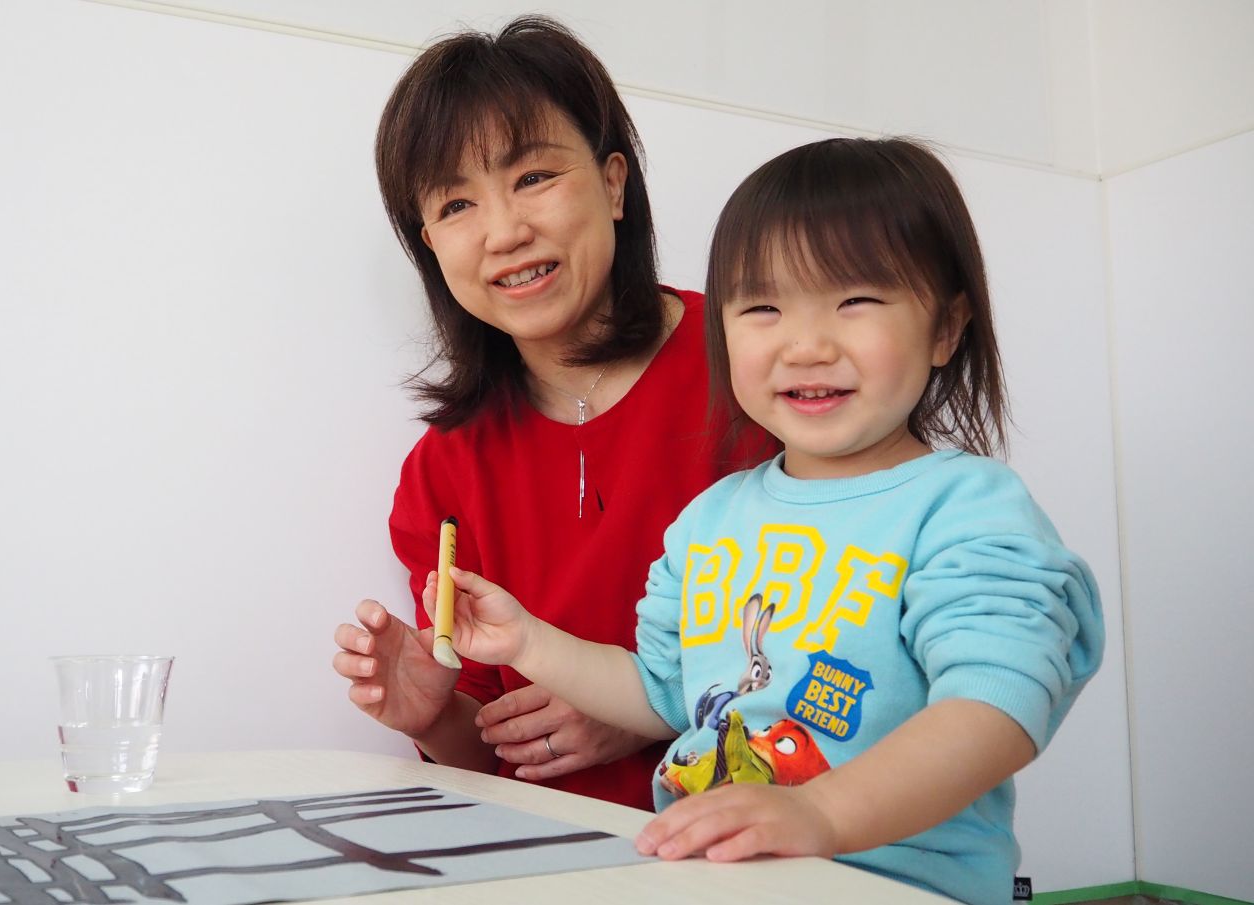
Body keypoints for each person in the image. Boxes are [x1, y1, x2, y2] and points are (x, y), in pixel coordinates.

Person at [422, 137, 1105, 905]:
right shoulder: (710, 519)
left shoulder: (967, 508)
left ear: (945, 328)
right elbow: (659, 690)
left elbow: (997, 707)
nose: (805, 345)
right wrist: (526, 640)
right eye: (764, 308)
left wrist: (818, 810)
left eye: (856, 301)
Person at [330, 16, 772, 811]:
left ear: (612, 182)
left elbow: (855, 634)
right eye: (456, 204)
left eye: (533, 177)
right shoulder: (444, 470)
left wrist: (645, 706)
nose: (504, 231)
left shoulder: (757, 369)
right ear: (429, 242)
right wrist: (434, 715)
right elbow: (496, 756)